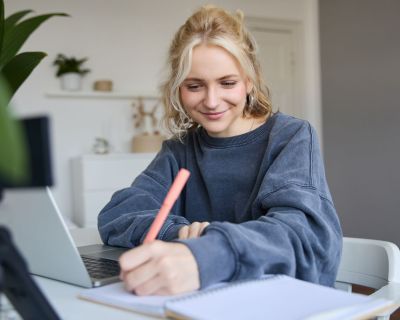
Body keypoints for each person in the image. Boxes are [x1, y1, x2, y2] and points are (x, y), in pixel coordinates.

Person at [98, 5, 342, 296]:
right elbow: (118, 213)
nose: (212, 101)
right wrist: (177, 232)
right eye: (195, 86)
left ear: (249, 81)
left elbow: (301, 235)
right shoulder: (180, 151)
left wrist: (206, 251)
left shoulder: (290, 137)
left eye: (227, 83)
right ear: (178, 89)